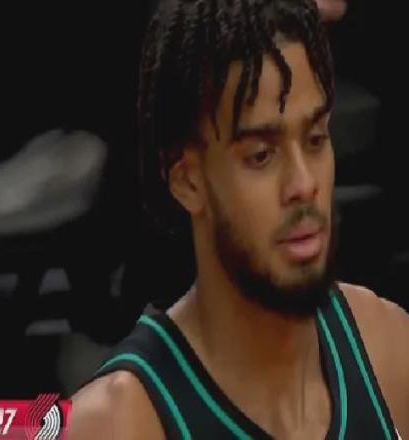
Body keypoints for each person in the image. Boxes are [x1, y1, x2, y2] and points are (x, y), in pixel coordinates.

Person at [69, 0, 408, 438]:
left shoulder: (388, 348)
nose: (304, 184)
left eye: (315, 139)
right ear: (187, 181)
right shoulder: (114, 422)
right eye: (261, 156)